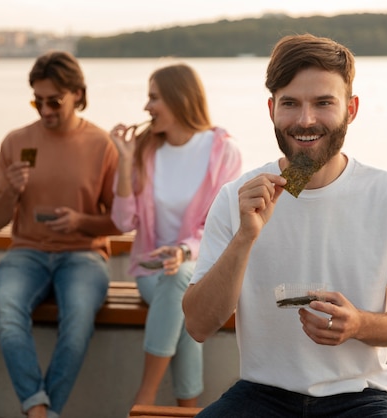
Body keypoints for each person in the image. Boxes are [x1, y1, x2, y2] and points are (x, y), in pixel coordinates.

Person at [182, 33, 387, 417]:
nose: (305, 120)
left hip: (359, 397)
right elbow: (199, 326)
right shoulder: (237, 197)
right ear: (271, 109)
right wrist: (246, 236)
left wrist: (359, 324)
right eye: (290, 104)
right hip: (260, 395)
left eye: (323, 103)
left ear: (351, 108)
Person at [0, 50, 121, 418]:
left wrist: (80, 222)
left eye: (54, 101)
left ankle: (43, 412)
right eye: (37, 101)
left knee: (77, 321)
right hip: (26, 253)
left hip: (84, 256)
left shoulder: (102, 144)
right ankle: (39, 409)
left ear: (77, 93)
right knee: (8, 311)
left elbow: (122, 220)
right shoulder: (16, 142)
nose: (44, 110)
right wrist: (10, 191)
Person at [109, 63, 242, 408]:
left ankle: (146, 399)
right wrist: (124, 164)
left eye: (153, 98)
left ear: (179, 98)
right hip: (151, 273)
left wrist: (183, 250)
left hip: (199, 269)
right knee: (178, 283)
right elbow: (124, 222)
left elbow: (220, 226)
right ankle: (178, 407)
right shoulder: (143, 150)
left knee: (182, 280)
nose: (146, 107)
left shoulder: (223, 151)